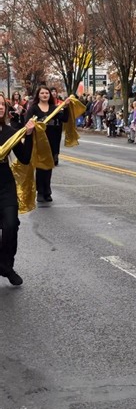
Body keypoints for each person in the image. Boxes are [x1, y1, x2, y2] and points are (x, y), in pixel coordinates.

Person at [0, 93, 35, 286]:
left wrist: (28, 136)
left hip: (5, 183)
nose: (0, 107)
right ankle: (5, 268)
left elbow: (25, 159)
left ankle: (6, 264)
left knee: (11, 225)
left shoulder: (10, 131)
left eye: (2, 104)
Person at [25, 86, 70, 202]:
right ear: (38, 95)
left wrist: (66, 107)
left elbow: (64, 119)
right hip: (39, 141)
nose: (45, 95)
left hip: (52, 139)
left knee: (49, 166)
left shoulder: (54, 108)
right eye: (42, 93)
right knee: (40, 166)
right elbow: (27, 122)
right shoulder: (33, 109)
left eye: (47, 93)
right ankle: (40, 191)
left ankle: (47, 191)